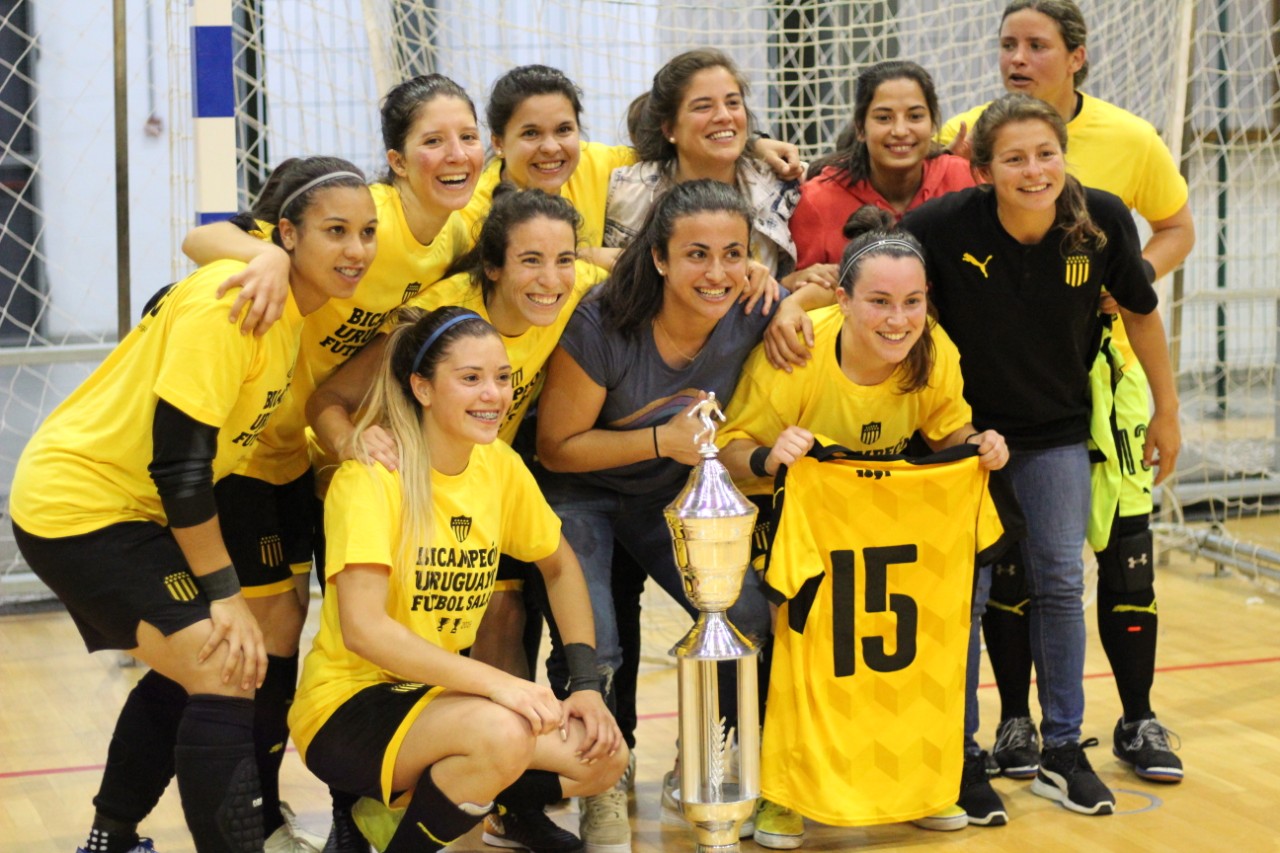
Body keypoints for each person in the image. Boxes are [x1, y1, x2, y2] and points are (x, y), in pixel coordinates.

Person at [9, 157, 376, 853]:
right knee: (224, 660)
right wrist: (224, 592)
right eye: (336, 231)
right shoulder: (231, 303)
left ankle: (111, 838)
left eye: (367, 232)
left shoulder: (293, 310)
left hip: (131, 509)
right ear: (286, 236)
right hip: (79, 505)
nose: (357, 251)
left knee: (203, 668)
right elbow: (179, 467)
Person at [180, 73, 485, 853]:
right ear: (395, 159)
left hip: (314, 450)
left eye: (465, 136)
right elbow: (201, 239)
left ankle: (354, 809)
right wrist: (269, 259)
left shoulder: (463, 218)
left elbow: (542, 201)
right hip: (245, 445)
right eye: (433, 141)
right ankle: (248, 812)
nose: (455, 155)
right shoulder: (365, 214)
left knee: (345, 631)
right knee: (258, 637)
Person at [900, 93, 1180, 821]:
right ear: (983, 169)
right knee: (967, 598)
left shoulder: (1103, 219)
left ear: (1064, 155)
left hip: (1057, 431)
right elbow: (876, 290)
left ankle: (1062, 749)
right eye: (1015, 159)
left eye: (1046, 154)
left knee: (1060, 583)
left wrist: (1168, 415)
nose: (1034, 171)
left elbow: (1142, 315)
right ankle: (958, 755)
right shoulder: (939, 226)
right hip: (962, 440)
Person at [715, 207, 1007, 848]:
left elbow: (948, 429)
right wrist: (771, 456)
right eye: (879, 301)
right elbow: (731, 453)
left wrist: (979, 444)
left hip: (878, 524)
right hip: (788, 517)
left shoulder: (934, 353)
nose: (897, 319)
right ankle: (780, 790)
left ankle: (917, 783)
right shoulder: (797, 354)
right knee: (789, 634)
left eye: (912, 302)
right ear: (842, 301)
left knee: (909, 640)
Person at [288, 306, 627, 853]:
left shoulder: (497, 466)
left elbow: (561, 566)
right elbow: (365, 632)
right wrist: (498, 684)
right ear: (422, 388)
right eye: (470, 379)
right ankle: (400, 815)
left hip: (438, 703)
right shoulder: (372, 477)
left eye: (502, 377)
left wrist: (586, 684)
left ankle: (395, 811)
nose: (493, 394)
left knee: (603, 755)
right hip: (347, 706)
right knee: (502, 731)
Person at [535, 179, 783, 845]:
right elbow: (555, 448)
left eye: (735, 253)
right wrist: (658, 440)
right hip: (580, 491)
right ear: (660, 259)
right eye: (697, 254)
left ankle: (706, 759)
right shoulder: (604, 319)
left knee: (749, 615)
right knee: (599, 645)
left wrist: (791, 308)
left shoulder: (754, 304)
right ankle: (602, 782)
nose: (719, 271)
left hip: (665, 493)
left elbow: (819, 295)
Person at [605, 48, 815, 288]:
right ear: (669, 129)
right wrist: (598, 256)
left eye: (733, 103)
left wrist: (788, 287)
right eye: (703, 107)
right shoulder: (624, 189)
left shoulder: (788, 183)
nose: (724, 116)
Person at [789, 60, 974, 267]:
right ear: (860, 128)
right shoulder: (816, 202)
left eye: (915, 116)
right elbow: (796, 291)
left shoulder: (965, 179)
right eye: (884, 118)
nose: (900, 131)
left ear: (932, 124)